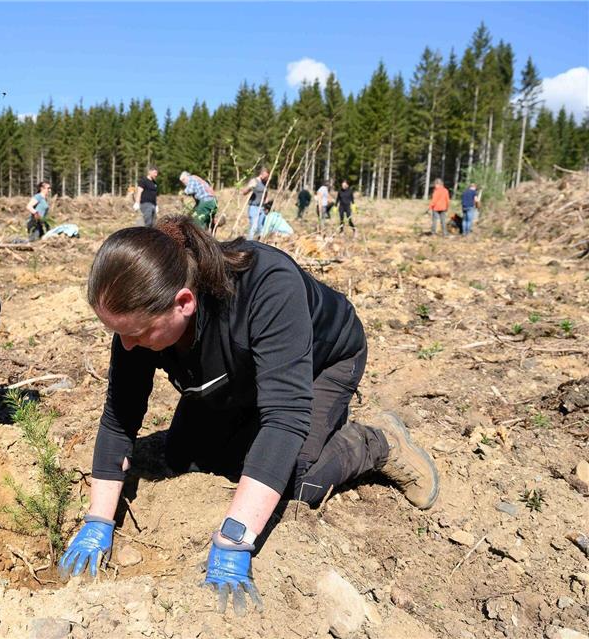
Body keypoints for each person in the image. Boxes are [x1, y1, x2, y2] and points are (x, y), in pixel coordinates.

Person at [57, 217, 439, 614]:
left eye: (137, 334)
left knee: (294, 481)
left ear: (184, 302)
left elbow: (286, 417)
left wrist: (234, 539)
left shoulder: (268, 286)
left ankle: (376, 443)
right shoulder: (139, 320)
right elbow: (120, 416)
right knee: (184, 456)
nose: (127, 345)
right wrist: (98, 520)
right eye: (117, 333)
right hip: (242, 373)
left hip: (323, 362)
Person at [240, 167, 270, 240]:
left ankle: (259, 243)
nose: (266, 178)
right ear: (262, 174)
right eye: (265, 176)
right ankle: (249, 243)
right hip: (254, 207)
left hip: (262, 208)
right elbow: (244, 192)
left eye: (267, 177)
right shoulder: (254, 181)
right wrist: (249, 188)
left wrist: (266, 206)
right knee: (253, 227)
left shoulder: (265, 183)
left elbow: (265, 195)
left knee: (261, 227)